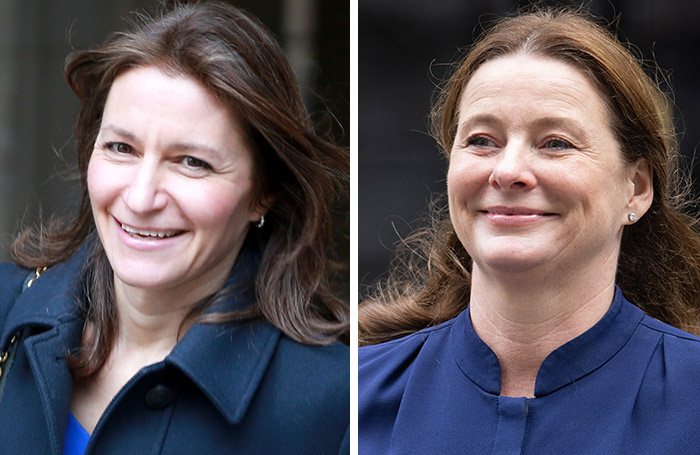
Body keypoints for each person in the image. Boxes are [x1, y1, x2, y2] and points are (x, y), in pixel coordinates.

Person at [0, 2, 349, 454]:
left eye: (192, 162)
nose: (142, 198)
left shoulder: (335, 407)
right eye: (121, 148)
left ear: (265, 191)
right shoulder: (9, 310)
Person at [359, 7, 700, 454]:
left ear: (635, 189)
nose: (508, 171)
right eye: (481, 140)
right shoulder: (357, 391)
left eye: (555, 143)